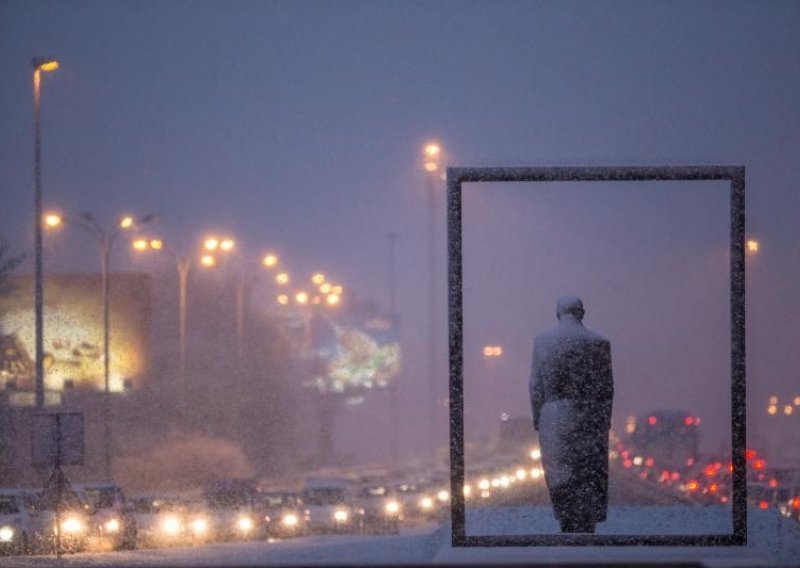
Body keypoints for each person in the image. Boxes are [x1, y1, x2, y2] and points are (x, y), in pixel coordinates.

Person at [530, 295, 614, 534]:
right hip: (591, 416)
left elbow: (535, 386)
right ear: (581, 313)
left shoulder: (543, 342)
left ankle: (567, 524)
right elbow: (607, 388)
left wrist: (539, 419)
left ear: (558, 313)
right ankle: (587, 526)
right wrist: (604, 421)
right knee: (588, 475)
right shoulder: (598, 343)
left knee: (562, 477)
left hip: (554, 417)